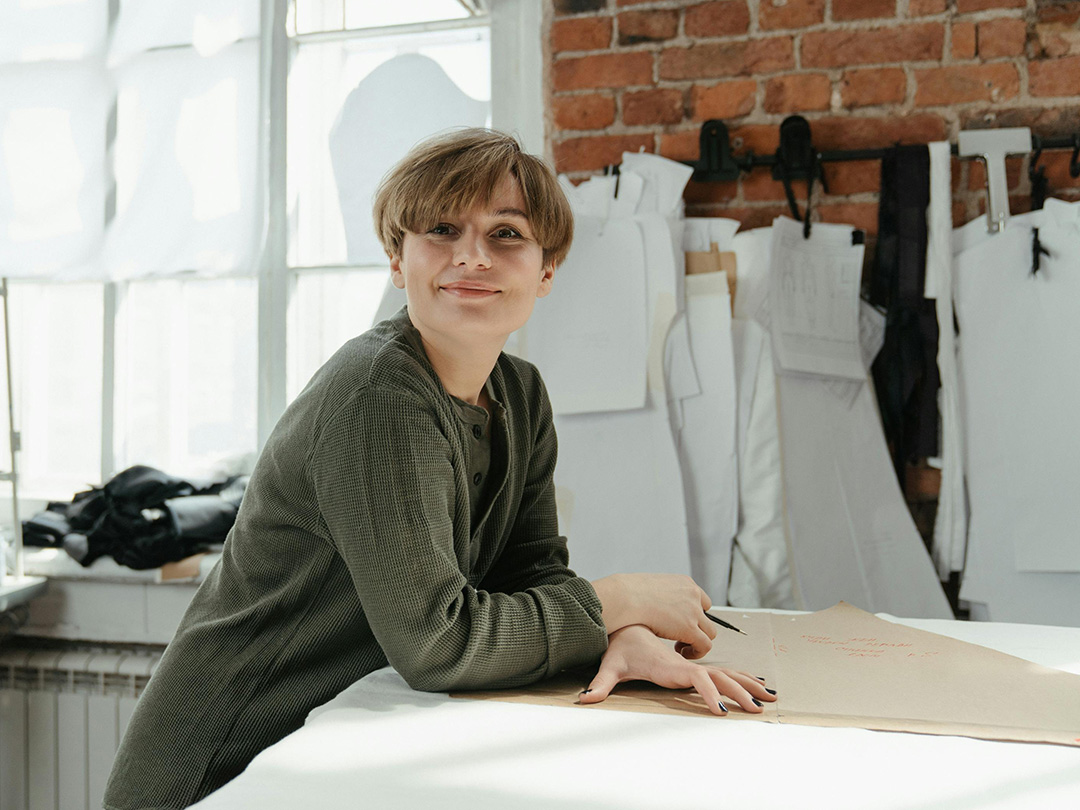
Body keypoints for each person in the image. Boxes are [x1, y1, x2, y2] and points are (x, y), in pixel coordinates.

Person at [103, 128, 774, 810]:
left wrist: (622, 637)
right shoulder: (379, 394)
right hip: (220, 768)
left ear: (545, 272)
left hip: (328, 757)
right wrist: (618, 600)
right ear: (398, 260)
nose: (473, 257)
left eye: (506, 234)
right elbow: (438, 642)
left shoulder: (521, 393)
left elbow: (529, 571)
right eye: (442, 229)